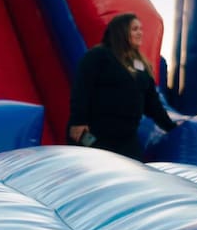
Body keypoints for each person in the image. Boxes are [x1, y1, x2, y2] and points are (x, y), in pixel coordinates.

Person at [68, 13, 178, 161]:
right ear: (121, 32)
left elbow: (153, 104)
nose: (140, 33)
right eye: (134, 29)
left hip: (126, 138)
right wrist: (78, 121)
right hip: (98, 133)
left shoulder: (142, 66)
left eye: (141, 29)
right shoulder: (99, 56)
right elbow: (82, 89)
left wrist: (171, 127)